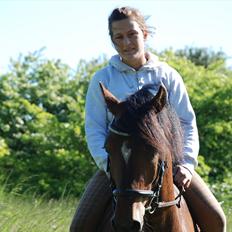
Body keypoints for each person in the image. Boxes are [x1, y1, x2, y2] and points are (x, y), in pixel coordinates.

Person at [70, 6, 226, 232]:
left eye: (132, 34)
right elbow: (94, 130)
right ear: (112, 40)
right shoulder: (102, 79)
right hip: (118, 170)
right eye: (119, 37)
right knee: (79, 227)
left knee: (216, 219)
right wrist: (111, 167)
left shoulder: (168, 75)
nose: (126, 43)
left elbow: (186, 123)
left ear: (144, 34)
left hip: (169, 166)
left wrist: (187, 165)